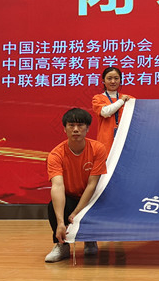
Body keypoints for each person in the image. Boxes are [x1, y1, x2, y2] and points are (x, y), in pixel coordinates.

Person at [44, 108, 108, 262]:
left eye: (80, 125)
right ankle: (61, 245)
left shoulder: (98, 149)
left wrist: (76, 213)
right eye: (71, 125)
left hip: (92, 197)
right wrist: (61, 222)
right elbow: (58, 186)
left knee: (104, 203)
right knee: (53, 206)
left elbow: (92, 184)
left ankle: (90, 239)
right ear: (64, 129)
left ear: (87, 128)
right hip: (71, 196)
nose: (76, 129)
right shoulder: (56, 154)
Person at [92, 67, 134, 151]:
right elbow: (105, 112)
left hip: (125, 140)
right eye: (109, 78)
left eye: (116, 78)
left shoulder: (129, 99)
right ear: (103, 81)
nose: (113, 81)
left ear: (120, 80)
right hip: (106, 142)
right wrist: (121, 101)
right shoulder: (98, 98)